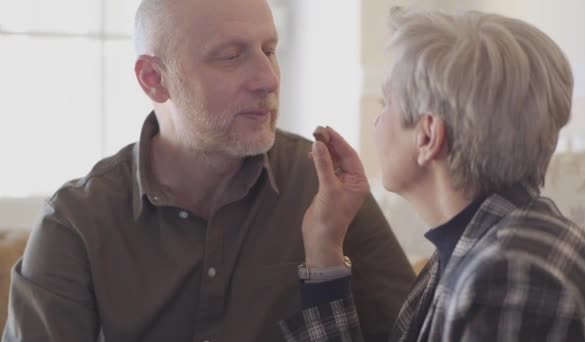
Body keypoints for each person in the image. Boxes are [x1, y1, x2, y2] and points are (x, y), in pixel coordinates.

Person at [2, 0, 416, 341]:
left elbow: (415, 334)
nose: (267, 79)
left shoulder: (324, 186)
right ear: (154, 80)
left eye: (269, 50)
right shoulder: (76, 222)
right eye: (231, 57)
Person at [280, 8, 585, 342]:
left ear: (427, 136)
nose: (376, 122)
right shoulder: (481, 246)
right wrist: (324, 243)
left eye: (385, 104)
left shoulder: (509, 276)